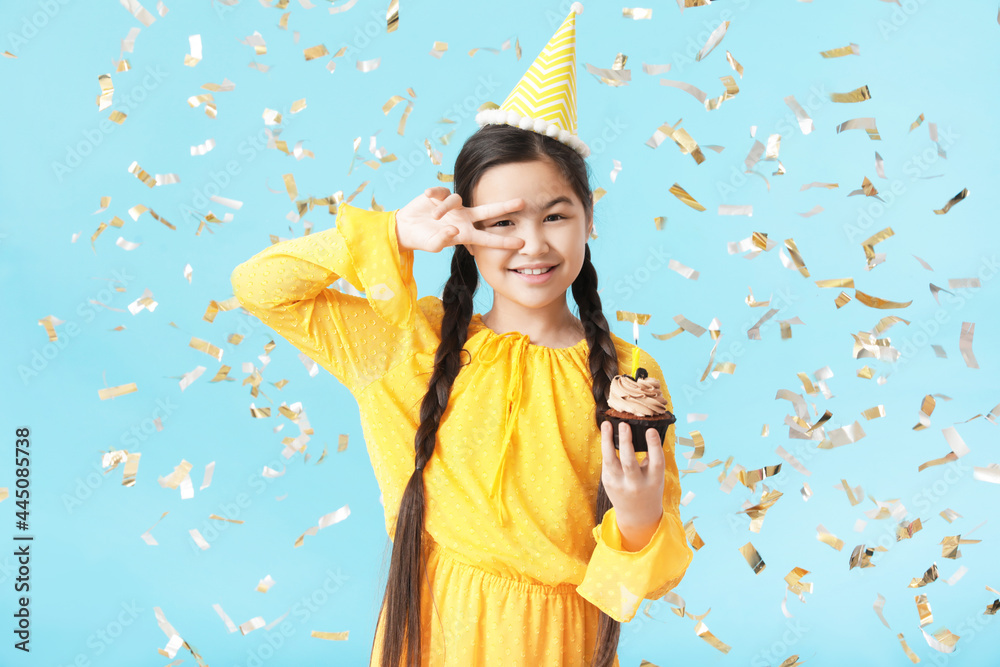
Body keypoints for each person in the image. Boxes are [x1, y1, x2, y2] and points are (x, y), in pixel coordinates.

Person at [230, 5, 691, 665]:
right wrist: (392, 232)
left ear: (589, 219)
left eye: (555, 214)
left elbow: (644, 573)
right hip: (433, 634)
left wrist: (640, 512)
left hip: (561, 643)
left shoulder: (627, 372)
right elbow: (259, 284)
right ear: (464, 230)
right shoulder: (407, 343)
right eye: (501, 222)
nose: (532, 242)